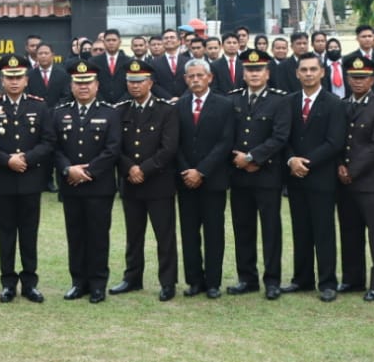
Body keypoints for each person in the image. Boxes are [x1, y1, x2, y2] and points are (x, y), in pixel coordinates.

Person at [0, 55, 54, 303]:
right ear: (2, 80)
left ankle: (30, 283)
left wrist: (27, 158)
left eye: (18, 77)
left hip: (31, 178)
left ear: (26, 79)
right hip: (3, 180)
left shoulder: (39, 106)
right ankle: (8, 283)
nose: (14, 82)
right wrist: (7, 159)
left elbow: (48, 141)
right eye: (9, 77)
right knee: (6, 234)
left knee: (30, 234)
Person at [111, 59, 179, 300]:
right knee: (133, 235)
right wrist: (130, 168)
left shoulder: (166, 110)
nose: (135, 86)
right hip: (130, 183)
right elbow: (114, 146)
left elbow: (169, 148)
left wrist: (144, 169)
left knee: (165, 236)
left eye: (140, 81)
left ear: (150, 83)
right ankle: (132, 278)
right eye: (131, 81)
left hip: (158, 182)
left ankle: (168, 282)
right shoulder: (120, 110)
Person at [54, 61, 121, 302]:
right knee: (76, 235)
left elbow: (112, 149)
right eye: (78, 83)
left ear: (97, 85)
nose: (83, 87)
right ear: (71, 86)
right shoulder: (60, 113)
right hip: (70, 185)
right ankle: (78, 282)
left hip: (98, 186)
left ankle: (97, 284)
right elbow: (55, 147)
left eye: (87, 83)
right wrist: (67, 169)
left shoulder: (109, 112)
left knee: (98, 235)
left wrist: (88, 171)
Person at [226, 49, 290, 300]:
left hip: (267, 174)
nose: (254, 74)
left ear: (267, 73)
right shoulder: (233, 99)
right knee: (243, 228)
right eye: (250, 70)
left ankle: (272, 280)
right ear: (243, 74)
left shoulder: (280, 100)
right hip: (239, 174)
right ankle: (247, 278)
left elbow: (281, 136)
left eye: (259, 70)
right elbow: (226, 135)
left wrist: (253, 158)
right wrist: (239, 160)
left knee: (271, 229)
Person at [283, 54, 346, 301]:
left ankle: (328, 282)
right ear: (297, 73)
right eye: (304, 70)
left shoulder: (334, 103)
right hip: (295, 177)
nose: (308, 74)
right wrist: (291, 160)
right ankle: (302, 279)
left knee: (324, 230)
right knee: (300, 230)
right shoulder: (288, 102)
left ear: (322, 73)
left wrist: (305, 162)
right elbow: (282, 137)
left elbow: (335, 142)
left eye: (313, 69)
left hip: (321, 177)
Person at [335, 56, 374, 301]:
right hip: (344, 180)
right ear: (347, 79)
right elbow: (337, 139)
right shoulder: (341, 104)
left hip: (371, 181)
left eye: (363, 77)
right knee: (349, 231)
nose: (358, 82)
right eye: (354, 77)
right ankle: (352, 278)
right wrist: (340, 165)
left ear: (372, 79)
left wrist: (352, 170)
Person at [175, 58, 234, 299]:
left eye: (200, 75)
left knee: (213, 232)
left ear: (210, 77)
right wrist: (187, 170)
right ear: (185, 79)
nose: (196, 80)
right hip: (185, 179)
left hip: (213, 180)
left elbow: (225, 142)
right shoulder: (179, 105)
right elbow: (174, 143)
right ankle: (194, 281)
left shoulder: (224, 105)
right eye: (191, 76)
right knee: (189, 233)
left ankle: (212, 282)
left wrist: (201, 171)